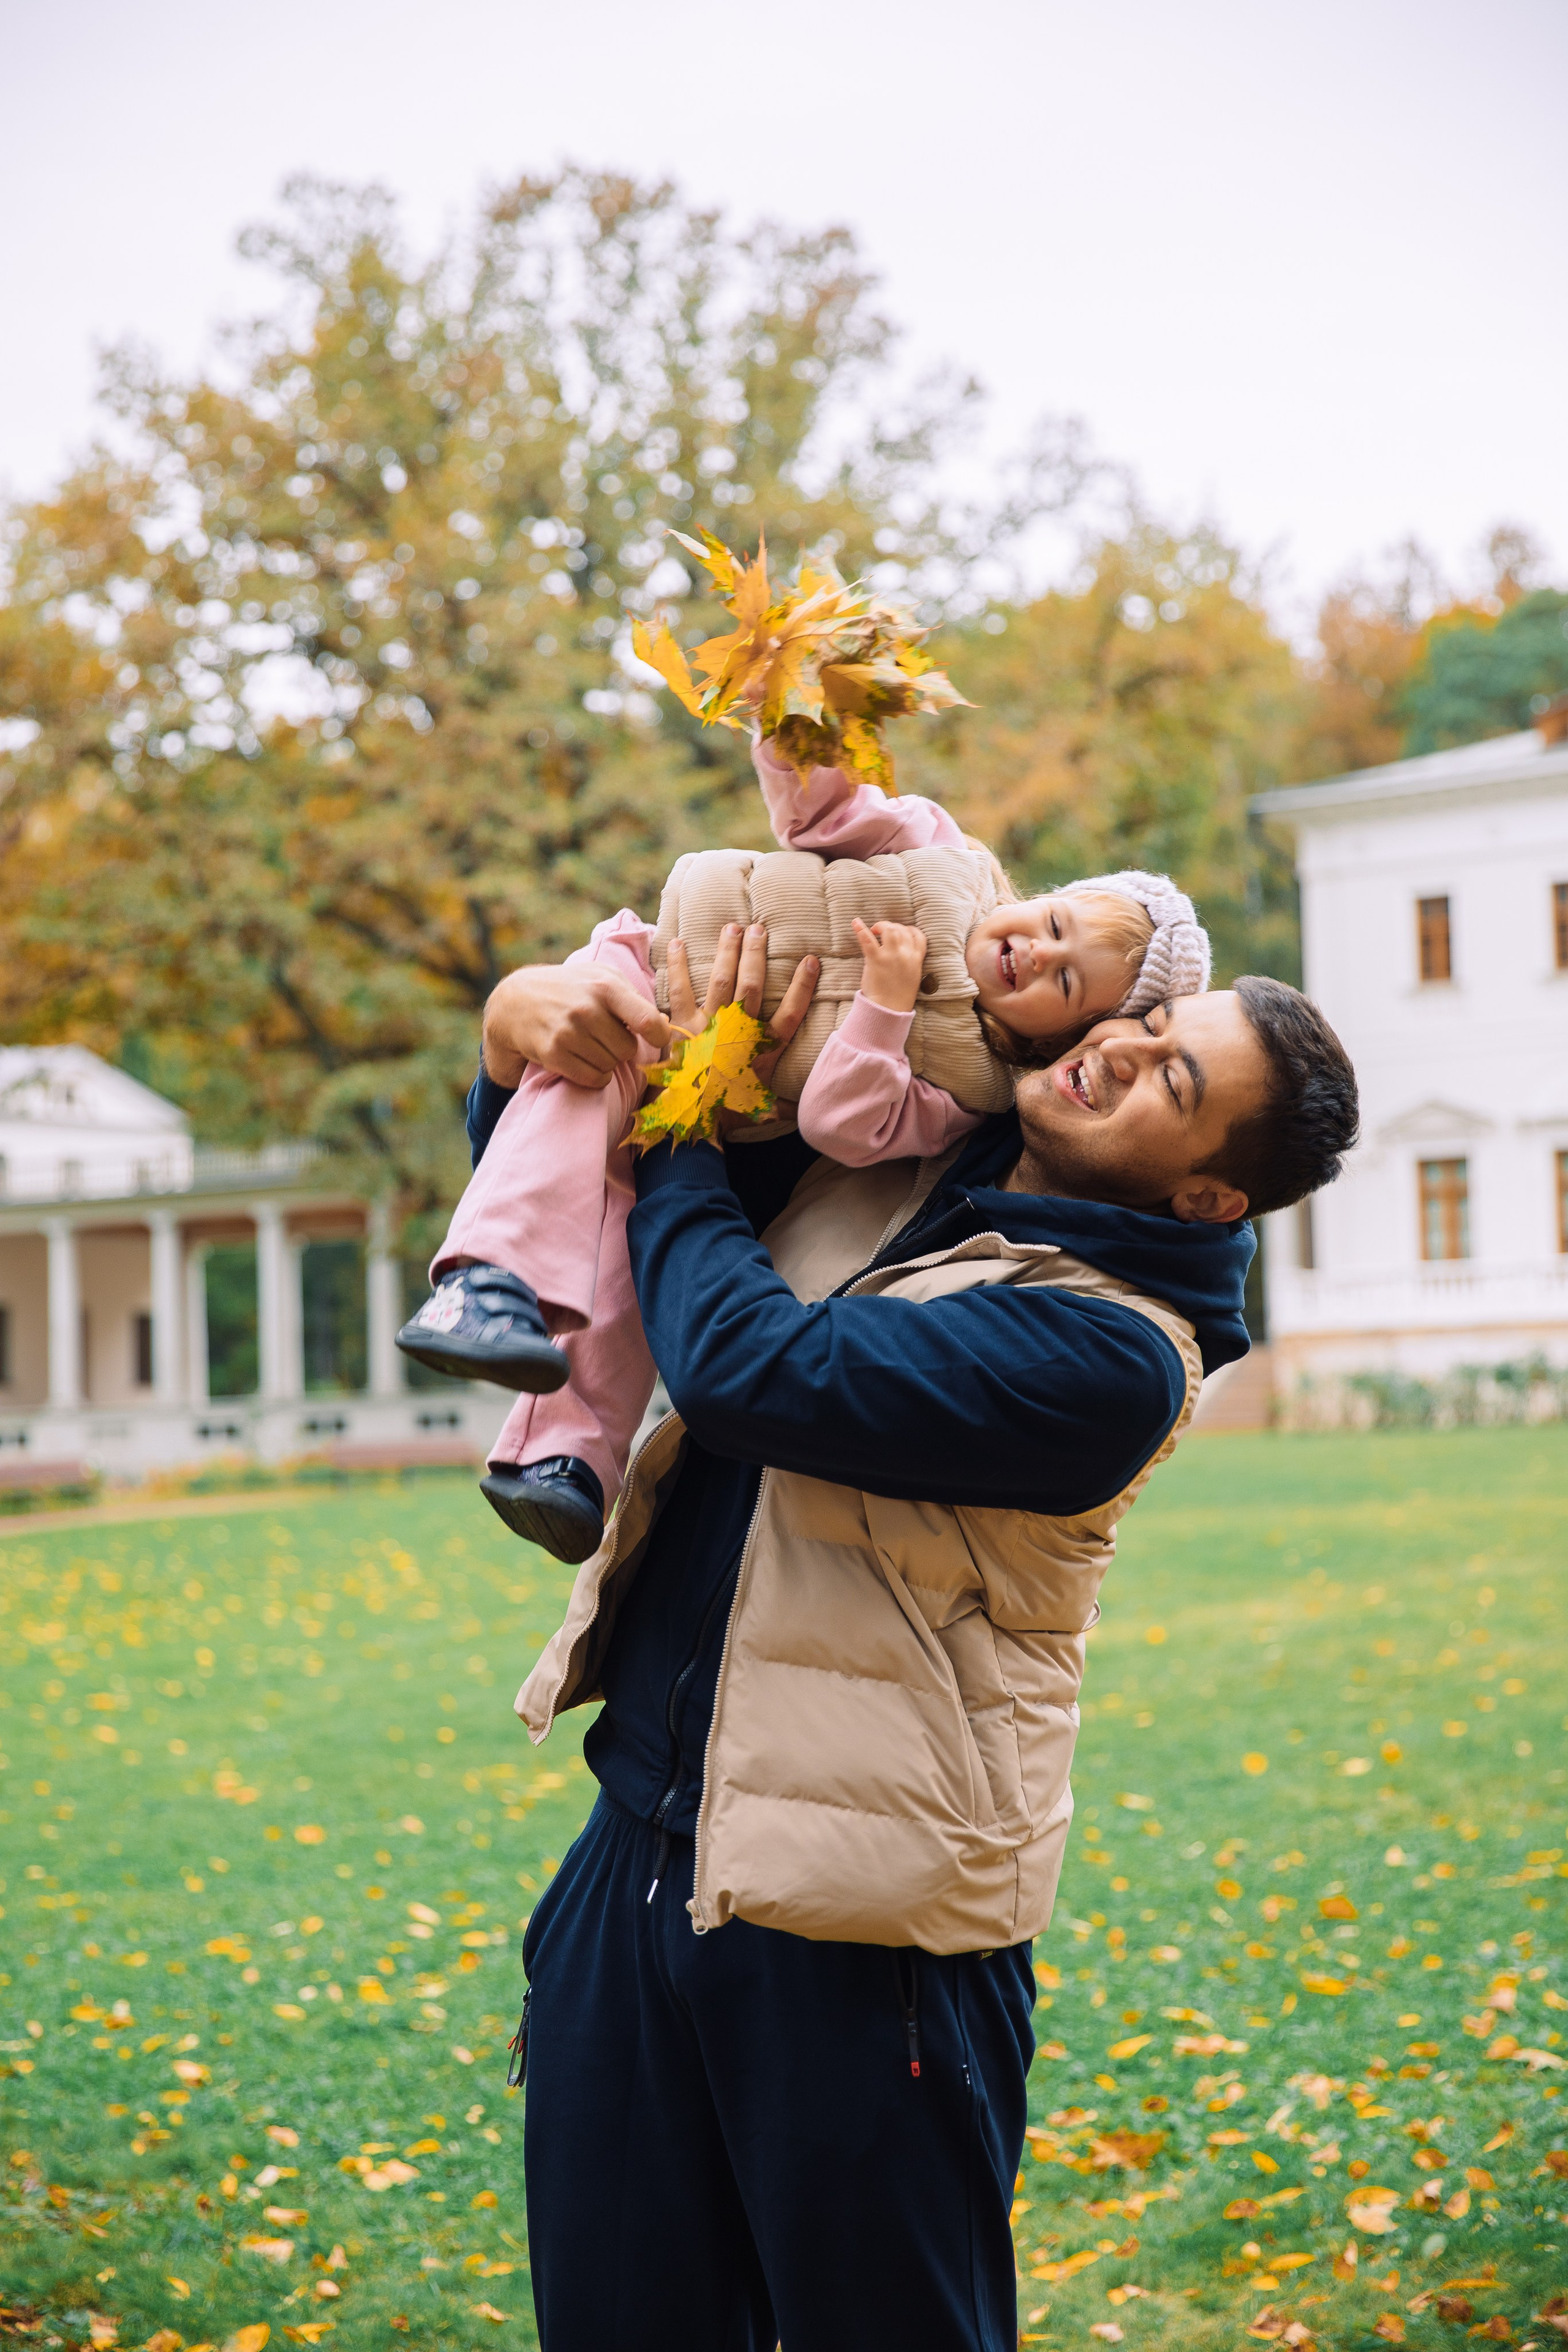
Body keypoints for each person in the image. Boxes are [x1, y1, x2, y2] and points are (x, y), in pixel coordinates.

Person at [468, 932, 1359, 2352]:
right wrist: (522, 1040)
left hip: (867, 1939)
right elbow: (611, 1190)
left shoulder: (1116, 1357)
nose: (1118, 1046)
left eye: (1170, 1077)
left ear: (1205, 1193)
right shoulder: (893, 1142)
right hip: (633, 1863)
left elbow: (753, 1369)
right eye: (1150, 1022)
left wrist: (695, 1111)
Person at [396, 733, 1210, 1563]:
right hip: (648, 982)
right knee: (574, 1105)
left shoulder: (971, 1097)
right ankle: (486, 1284)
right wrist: (798, 736)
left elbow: (841, 1122)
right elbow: (828, 813)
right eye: (1054, 919)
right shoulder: (942, 855)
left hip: (716, 1092)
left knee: (629, 1226)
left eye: (1066, 979)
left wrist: (884, 1012)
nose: (1037, 949)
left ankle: (564, 1458)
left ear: (1066, 1035)